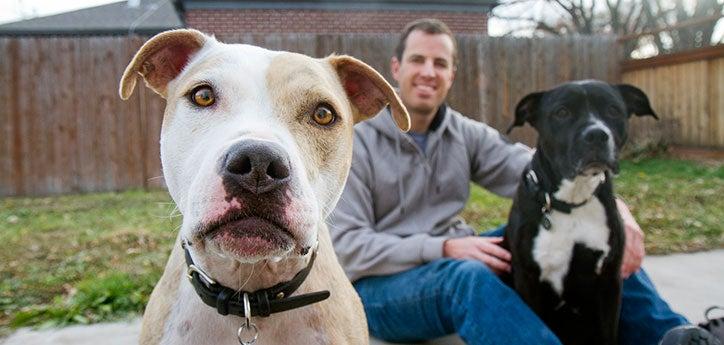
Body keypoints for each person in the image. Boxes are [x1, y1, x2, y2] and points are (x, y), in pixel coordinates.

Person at [329, 18, 721, 345]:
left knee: (598, 237)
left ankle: (678, 335)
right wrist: (444, 246)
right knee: (467, 278)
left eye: (440, 62)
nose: (429, 71)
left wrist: (615, 209)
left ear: (452, 74)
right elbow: (347, 247)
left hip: (457, 257)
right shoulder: (356, 140)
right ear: (395, 68)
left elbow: (539, 167)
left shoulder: (464, 134)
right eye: (418, 60)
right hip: (380, 293)